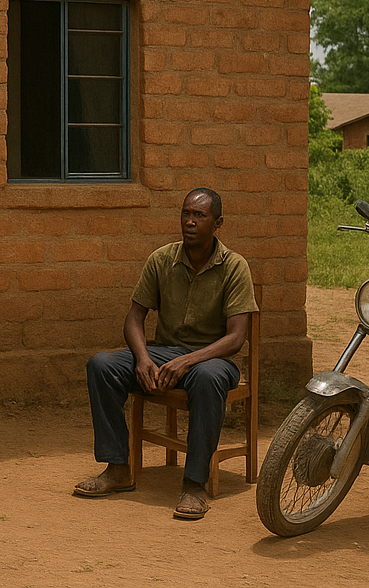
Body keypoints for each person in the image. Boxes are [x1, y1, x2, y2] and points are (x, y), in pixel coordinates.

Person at [73, 187, 257, 521]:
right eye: (186, 213)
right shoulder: (162, 259)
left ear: (218, 223)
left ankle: (194, 484)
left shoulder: (234, 267)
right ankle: (117, 468)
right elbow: (134, 318)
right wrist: (143, 357)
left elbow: (235, 339)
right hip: (162, 353)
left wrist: (188, 360)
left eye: (199, 216)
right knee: (101, 365)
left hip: (214, 360)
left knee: (207, 378)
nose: (189, 222)